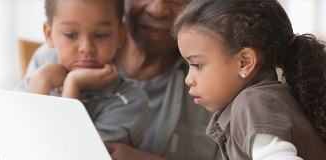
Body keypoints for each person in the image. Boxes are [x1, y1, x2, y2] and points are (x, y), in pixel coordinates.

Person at [18, 0, 220, 160]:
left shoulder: (219, 79)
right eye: (71, 34)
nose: (158, 9)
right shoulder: (49, 60)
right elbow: (17, 141)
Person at [172, 0, 326, 159]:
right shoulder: (264, 99)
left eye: (197, 65)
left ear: (244, 62)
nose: (188, 80)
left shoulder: (253, 103)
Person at [26, 0, 150, 146]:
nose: (86, 47)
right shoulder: (42, 73)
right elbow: (14, 143)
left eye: (101, 35)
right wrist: (40, 83)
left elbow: (69, 153)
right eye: (71, 35)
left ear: (121, 35)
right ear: (49, 34)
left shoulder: (130, 99)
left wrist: (73, 85)